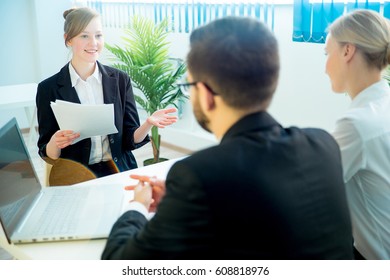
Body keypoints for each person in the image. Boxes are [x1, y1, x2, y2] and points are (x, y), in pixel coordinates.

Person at [102, 16, 353, 260]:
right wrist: (183, 199)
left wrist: (137, 205)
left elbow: (119, 262)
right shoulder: (323, 145)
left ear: (206, 94)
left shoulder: (197, 174)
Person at [36, 7, 177, 180]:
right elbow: (46, 152)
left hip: (118, 170)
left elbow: (129, 140)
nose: (93, 43)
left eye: (98, 35)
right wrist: (54, 143)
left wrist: (148, 123)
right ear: (68, 40)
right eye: (84, 36)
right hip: (75, 176)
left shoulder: (120, 80)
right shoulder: (48, 88)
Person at [325, 9, 390, 260]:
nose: (325, 68)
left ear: (347, 51)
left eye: (327, 53)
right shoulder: (381, 106)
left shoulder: (357, 124)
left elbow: (306, 186)